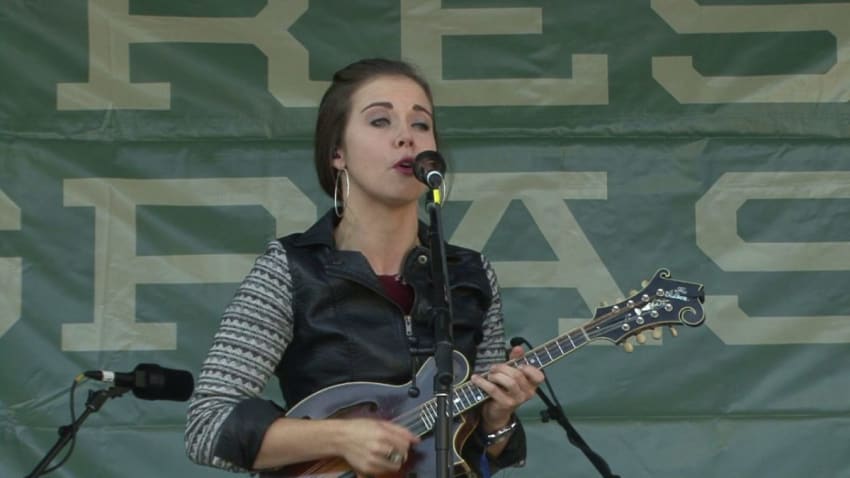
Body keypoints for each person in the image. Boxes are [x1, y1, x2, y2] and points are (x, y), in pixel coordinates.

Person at [185, 58, 545, 477]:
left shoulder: (469, 274)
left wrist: (498, 422)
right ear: (337, 153)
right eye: (380, 121)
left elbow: (478, 448)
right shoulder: (291, 269)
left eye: (420, 124)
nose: (406, 138)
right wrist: (342, 438)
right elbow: (207, 426)